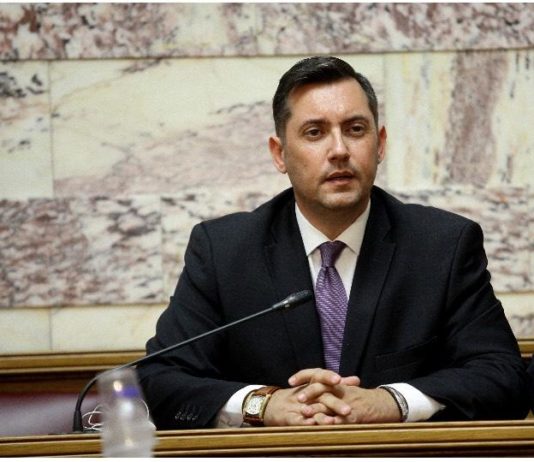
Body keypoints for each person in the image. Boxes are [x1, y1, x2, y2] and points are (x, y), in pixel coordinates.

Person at [137, 56, 530, 429]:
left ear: (379, 144)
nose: (339, 150)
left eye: (355, 129)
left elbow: (503, 377)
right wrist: (264, 405)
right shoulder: (224, 251)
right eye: (315, 133)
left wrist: (392, 402)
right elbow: (161, 379)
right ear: (279, 154)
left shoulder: (442, 246)